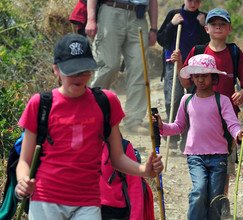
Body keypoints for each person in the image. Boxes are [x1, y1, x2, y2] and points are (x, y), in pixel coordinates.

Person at [14, 33, 163, 219]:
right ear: (56, 70)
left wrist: (144, 170)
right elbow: (24, 160)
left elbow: (117, 157)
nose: (79, 77)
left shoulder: (106, 102)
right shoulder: (40, 104)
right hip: (46, 200)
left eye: (84, 70)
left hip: (88, 201)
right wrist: (22, 181)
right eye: (72, 71)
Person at [174, 8, 243, 217]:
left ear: (229, 28)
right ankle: (207, 205)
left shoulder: (234, 52)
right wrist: (179, 61)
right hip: (201, 114)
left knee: (224, 161)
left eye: (222, 23)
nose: (218, 26)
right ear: (206, 28)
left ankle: (220, 202)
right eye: (214, 23)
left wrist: (241, 93)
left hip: (228, 117)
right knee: (207, 156)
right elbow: (185, 81)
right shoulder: (198, 50)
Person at [153, 53, 243, 220]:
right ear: (192, 78)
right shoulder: (186, 100)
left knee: (215, 198)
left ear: (213, 77)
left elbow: (232, 125)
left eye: (204, 75)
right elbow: (178, 126)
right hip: (195, 156)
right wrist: (162, 127)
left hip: (219, 156)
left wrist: (238, 134)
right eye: (196, 76)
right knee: (199, 191)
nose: (200, 80)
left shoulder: (223, 100)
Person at [85, 0, 158, 135]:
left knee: (139, 67)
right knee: (109, 65)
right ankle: (91, 112)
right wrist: (90, 19)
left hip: (138, 16)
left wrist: (154, 28)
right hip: (111, 12)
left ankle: (134, 120)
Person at [156, 0, 210, 151]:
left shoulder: (203, 18)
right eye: (190, 0)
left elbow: (209, 43)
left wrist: (204, 26)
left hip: (195, 65)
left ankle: (187, 138)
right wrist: (172, 25)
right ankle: (171, 135)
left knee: (193, 101)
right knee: (173, 98)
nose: (193, 3)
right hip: (172, 63)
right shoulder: (174, 15)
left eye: (197, 1)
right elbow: (162, 40)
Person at [100, 138, 154, 220]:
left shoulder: (124, 147)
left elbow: (135, 188)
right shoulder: (85, 145)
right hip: (89, 209)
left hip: (115, 212)